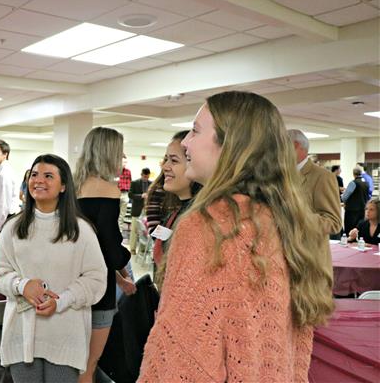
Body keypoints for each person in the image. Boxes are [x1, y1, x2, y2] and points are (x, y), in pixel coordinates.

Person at [139, 91, 334, 382]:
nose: (186, 142)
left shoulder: (207, 227)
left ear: (229, 145)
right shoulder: (287, 222)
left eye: (195, 130)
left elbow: (180, 360)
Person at [0, 154, 107, 383]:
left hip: (65, 335)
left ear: (63, 186)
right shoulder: (13, 227)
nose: (38, 180)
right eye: (34, 175)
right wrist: (22, 286)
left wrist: (61, 300)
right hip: (22, 336)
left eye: (48, 176)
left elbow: (96, 279)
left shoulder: (80, 230)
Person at [74, 127, 135, 383]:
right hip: (98, 289)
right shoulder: (108, 189)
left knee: (73, 362)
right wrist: (125, 259)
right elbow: (108, 247)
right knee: (89, 366)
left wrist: (121, 278)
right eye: (119, 151)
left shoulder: (73, 186)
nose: (122, 157)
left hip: (70, 282)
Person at [151, 131, 201, 289]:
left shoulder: (200, 220)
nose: (165, 166)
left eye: (173, 160)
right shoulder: (175, 215)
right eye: (166, 159)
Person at [287, 129, 342, 236]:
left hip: (306, 250)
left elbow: (334, 223)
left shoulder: (323, 177)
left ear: (294, 145)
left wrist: (294, 218)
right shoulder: (281, 174)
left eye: (280, 147)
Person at [128, 168, 151, 254]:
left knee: (144, 230)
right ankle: (132, 249)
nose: (146, 178)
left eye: (147, 177)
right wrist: (141, 196)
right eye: (145, 176)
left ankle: (142, 249)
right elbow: (130, 195)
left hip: (146, 211)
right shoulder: (135, 183)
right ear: (141, 174)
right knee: (134, 230)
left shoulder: (151, 183)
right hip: (136, 210)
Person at [342, 168, 369, 234]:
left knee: (350, 229)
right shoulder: (366, 183)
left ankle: (349, 242)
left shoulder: (353, 183)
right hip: (362, 209)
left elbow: (345, 197)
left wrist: (343, 201)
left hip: (352, 211)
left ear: (353, 174)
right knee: (359, 228)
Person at [117, 155, 132, 232]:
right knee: (115, 214)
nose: (125, 164)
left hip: (125, 194)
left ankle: (119, 231)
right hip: (116, 193)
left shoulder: (128, 172)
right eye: (123, 162)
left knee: (122, 215)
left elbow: (130, 182)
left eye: (126, 162)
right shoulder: (115, 171)